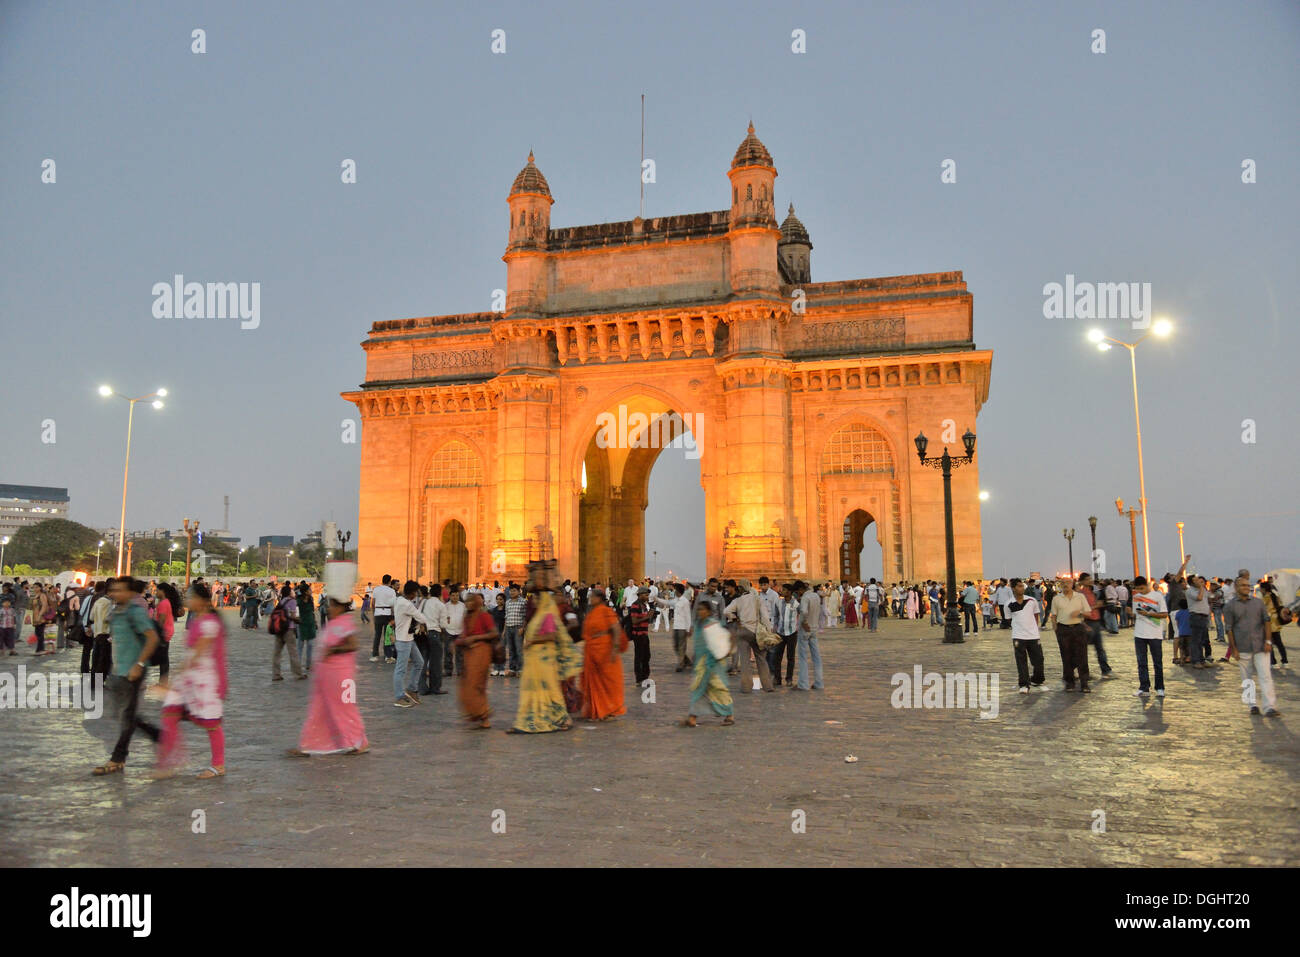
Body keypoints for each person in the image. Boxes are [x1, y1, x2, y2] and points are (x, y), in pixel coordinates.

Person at [291, 562, 370, 755]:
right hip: (326, 678)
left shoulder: (346, 622)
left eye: (331, 605)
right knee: (318, 712)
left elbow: (352, 645)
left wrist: (332, 650)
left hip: (343, 678)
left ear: (339, 606)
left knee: (346, 708)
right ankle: (308, 745)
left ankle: (359, 741)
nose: (329, 609)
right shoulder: (334, 623)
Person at [153, 583, 228, 780]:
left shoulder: (210, 623)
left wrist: (174, 678)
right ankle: (167, 763)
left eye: (190, 597)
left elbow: (198, 653)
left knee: (211, 723)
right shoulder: (197, 620)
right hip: (188, 677)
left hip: (204, 680)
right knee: (169, 715)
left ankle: (218, 764)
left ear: (202, 600)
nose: (187, 600)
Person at [93, 577, 162, 776]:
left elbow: (152, 638)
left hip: (133, 672)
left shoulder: (135, 613)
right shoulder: (116, 612)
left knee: (127, 717)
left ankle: (118, 757)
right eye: (113, 590)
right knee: (120, 714)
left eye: (120, 590)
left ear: (131, 593)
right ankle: (158, 736)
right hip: (118, 671)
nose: (115, 593)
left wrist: (139, 664)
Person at [509, 561, 582, 734]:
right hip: (536, 658)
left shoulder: (550, 611)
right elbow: (535, 587)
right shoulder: (538, 610)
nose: (534, 599)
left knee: (550, 688)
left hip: (546, 656)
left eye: (537, 597)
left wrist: (533, 641)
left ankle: (561, 718)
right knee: (532, 689)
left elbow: (553, 633)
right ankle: (527, 720)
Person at [1225, 576, 1281, 717]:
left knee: (1265, 676)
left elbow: (1267, 622)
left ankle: (1270, 707)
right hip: (1242, 646)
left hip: (1261, 645)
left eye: (1247, 585)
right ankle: (1252, 705)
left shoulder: (1258, 603)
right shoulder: (1230, 606)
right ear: (1236, 588)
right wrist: (1234, 649)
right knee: (1247, 678)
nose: (1246, 587)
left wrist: (1268, 641)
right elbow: (1229, 629)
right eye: (1243, 585)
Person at [680, 602, 734, 727]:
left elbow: (720, 645)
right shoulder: (698, 625)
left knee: (719, 689)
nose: (700, 612)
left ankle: (729, 715)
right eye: (698, 609)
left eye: (703, 609)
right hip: (701, 664)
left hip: (714, 664)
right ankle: (692, 717)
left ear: (709, 611)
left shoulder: (712, 625)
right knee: (698, 689)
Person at [580, 590, 627, 720]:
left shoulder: (606, 612)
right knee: (593, 681)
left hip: (604, 649)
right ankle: (597, 710)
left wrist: (615, 648)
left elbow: (616, 629)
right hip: (592, 649)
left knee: (607, 682)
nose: (590, 599)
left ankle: (608, 709)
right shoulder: (591, 613)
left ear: (599, 598)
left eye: (592, 597)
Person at [456, 592, 498, 728]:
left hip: (481, 653)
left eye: (470, 601)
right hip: (470, 654)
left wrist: (476, 638)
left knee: (478, 685)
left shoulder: (484, 616)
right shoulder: (466, 618)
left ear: (476, 602)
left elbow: (494, 633)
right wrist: (462, 641)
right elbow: (464, 634)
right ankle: (475, 713)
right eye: (466, 601)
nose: (468, 604)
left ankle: (483, 715)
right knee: (467, 685)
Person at [725, 580, 774, 693]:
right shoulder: (757, 599)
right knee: (761, 659)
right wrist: (768, 632)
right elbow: (765, 617)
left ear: (740, 589)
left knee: (745, 661)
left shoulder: (737, 600)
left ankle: (746, 687)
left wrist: (734, 618)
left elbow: (726, 611)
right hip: (756, 632)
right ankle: (767, 686)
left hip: (743, 631)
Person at [391, 580, 433, 708]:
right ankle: (399, 697)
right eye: (416, 593)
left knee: (419, 663)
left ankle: (411, 689)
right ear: (412, 593)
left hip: (408, 638)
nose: (417, 595)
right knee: (401, 670)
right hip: (404, 640)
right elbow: (422, 618)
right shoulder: (406, 604)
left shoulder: (400, 600)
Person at [1048, 575, 1092, 692]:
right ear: (1060, 585)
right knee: (1066, 656)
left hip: (1078, 628)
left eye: (1068, 582)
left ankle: (1084, 683)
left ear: (1073, 584)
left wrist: (1079, 614)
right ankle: (1069, 682)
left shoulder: (1080, 597)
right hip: (1063, 629)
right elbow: (1054, 615)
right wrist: (1055, 628)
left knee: (1082, 655)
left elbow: (1088, 613)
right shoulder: (1057, 598)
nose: (1066, 584)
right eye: (1063, 582)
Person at [1130, 576, 1168, 699]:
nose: (1140, 590)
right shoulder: (1136, 597)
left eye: (1142, 588)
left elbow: (1164, 614)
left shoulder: (1158, 596)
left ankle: (1160, 687)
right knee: (1141, 662)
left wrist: (1149, 614)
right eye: (1138, 589)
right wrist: (1129, 611)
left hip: (1155, 634)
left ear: (1147, 585)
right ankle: (1144, 687)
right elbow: (1136, 613)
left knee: (1157, 662)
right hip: (1139, 634)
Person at [1005, 578, 1045, 693]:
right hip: (1018, 636)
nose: (1021, 588)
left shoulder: (1032, 601)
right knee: (1021, 661)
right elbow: (1009, 620)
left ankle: (1037, 679)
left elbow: (1036, 617)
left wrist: (1033, 629)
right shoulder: (1008, 604)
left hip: (1033, 635)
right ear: (1013, 588)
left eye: (1022, 586)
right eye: (1018, 586)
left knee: (1038, 660)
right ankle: (1024, 684)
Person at [270, 583, 305, 681]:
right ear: (289, 592)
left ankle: (276, 675)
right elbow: (293, 616)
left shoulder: (281, 601)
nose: (294, 592)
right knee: (293, 652)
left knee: (277, 653)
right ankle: (298, 674)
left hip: (279, 629)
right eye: (292, 590)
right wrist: (299, 620)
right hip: (289, 629)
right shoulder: (292, 601)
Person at [795, 580, 824, 691]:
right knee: (816, 657)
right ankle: (819, 682)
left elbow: (804, 611)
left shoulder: (805, 598)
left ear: (800, 590)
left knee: (803, 657)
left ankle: (803, 684)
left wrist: (803, 622)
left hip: (805, 629)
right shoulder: (816, 596)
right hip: (814, 628)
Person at [627, 586, 653, 686]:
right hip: (638, 635)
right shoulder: (635, 605)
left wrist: (650, 616)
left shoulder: (644, 605)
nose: (647, 597)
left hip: (644, 634)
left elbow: (645, 619)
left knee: (646, 656)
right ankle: (639, 679)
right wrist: (647, 616)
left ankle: (645, 677)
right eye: (646, 595)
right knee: (639, 657)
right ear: (640, 595)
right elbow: (634, 621)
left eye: (648, 595)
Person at [369, 574, 396, 663]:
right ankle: (387, 656)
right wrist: (393, 617)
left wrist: (374, 613)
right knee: (387, 635)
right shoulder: (392, 591)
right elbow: (393, 605)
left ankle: (375, 655)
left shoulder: (376, 589)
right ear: (389, 581)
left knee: (377, 635)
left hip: (378, 613)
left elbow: (373, 603)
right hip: (388, 614)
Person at [296, 581, 317, 672]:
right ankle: (298, 665)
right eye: (309, 590)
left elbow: (312, 611)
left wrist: (315, 621)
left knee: (310, 645)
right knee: (300, 645)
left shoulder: (311, 599)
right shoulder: (298, 600)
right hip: (301, 624)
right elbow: (295, 612)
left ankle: (309, 664)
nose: (311, 591)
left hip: (310, 623)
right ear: (305, 591)